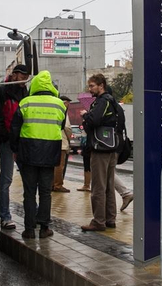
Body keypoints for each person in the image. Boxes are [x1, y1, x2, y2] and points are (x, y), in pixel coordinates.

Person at [9, 71, 67, 239]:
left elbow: (15, 128)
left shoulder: (25, 103)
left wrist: (15, 150)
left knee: (29, 192)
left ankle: (28, 229)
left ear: (34, 85)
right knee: (45, 193)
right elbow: (61, 125)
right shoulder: (59, 104)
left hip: (28, 153)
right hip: (50, 154)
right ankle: (44, 229)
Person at [0, 64, 29, 230]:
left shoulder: (25, 93)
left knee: (28, 180)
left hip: (22, 141)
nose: (24, 79)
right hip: (7, 142)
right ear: (14, 75)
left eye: (26, 76)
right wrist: (3, 139)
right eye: (22, 75)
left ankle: (30, 217)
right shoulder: (1, 92)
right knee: (6, 179)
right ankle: (5, 217)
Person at [80, 74, 121, 231]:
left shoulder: (102, 101)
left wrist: (85, 115)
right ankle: (110, 219)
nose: (90, 89)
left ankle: (98, 221)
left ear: (101, 85)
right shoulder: (112, 101)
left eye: (92, 86)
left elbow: (95, 120)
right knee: (109, 186)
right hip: (112, 147)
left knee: (98, 186)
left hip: (100, 148)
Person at [53, 95, 73, 193]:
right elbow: (67, 128)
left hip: (54, 141)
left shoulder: (54, 110)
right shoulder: (63, 111)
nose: (68, 105)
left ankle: (52, 184)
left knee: (54, 165)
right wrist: (70, 139)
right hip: (63, 142)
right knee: (60, 166)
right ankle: (58, 185)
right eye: (68, 103)